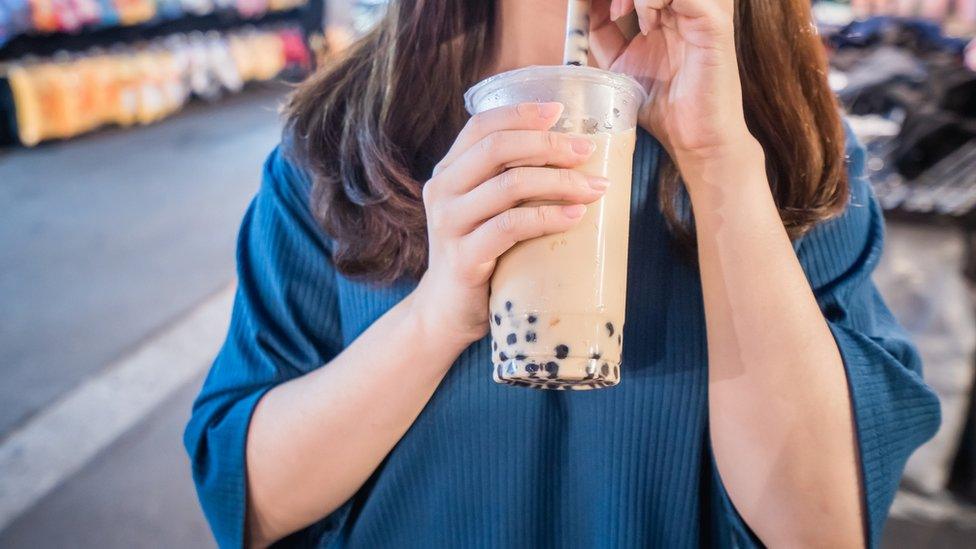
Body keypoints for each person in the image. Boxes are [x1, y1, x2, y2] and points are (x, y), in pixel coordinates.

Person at [184, 1, 941, 547]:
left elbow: (822, 528)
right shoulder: (342, 142)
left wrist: (716, 162)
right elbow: (253, 502)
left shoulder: (788, 147)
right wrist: (434, 319)